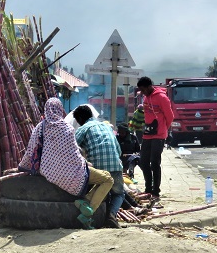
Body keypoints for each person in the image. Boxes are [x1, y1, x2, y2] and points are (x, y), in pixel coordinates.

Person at [16, 97, 114, 229]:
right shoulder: (66, 128)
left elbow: (30, 151)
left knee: (103, 176)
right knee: (107, 179)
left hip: (48, 172)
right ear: (59, 109)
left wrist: (22, 167)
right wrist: (85, 163)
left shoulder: (39, 128)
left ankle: (85, 204)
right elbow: (74, 153)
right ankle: (88, 207)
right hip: (73, 174)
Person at [73, 105, 125, 228]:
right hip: (115, 165)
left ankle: (90, 215)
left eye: (78, 121)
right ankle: (111, 215)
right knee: (119, 194)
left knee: (96, 190)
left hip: (98, 167)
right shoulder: (107, 126)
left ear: (80, 119)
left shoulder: (83, 129)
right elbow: (118, 150)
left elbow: (72, 149)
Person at [135, 77, 174, 200]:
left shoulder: (162, 98)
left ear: (148, 86)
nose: (142, 92)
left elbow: (170, 116)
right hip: (147, 134)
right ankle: (148, 189)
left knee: (155, 163)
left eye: (143, 89)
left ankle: (156, 192)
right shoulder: (146, 98)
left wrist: (163, 129)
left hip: (159, 135)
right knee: (143, 161)